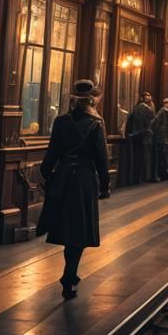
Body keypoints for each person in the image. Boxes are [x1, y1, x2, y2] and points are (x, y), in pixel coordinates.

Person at [37, 79, 110, 299]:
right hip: (85, 180)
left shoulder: (61, 121)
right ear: (92, 99)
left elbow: (50, 157)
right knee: (79, 230)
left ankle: (69, 274)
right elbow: (102, 158)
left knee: (67, 228)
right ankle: (69, 276)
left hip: (64, 179)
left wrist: (50, 176)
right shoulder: (97, 123)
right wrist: (105, 185)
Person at [126, 91, 157, 184]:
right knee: (145, 158)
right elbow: (152, 122)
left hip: (136, 135)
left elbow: (130, 121)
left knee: (136, 158)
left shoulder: (135, 108)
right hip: (145, 136)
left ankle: (136, 178)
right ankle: (145, 177)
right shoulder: (148, 109)